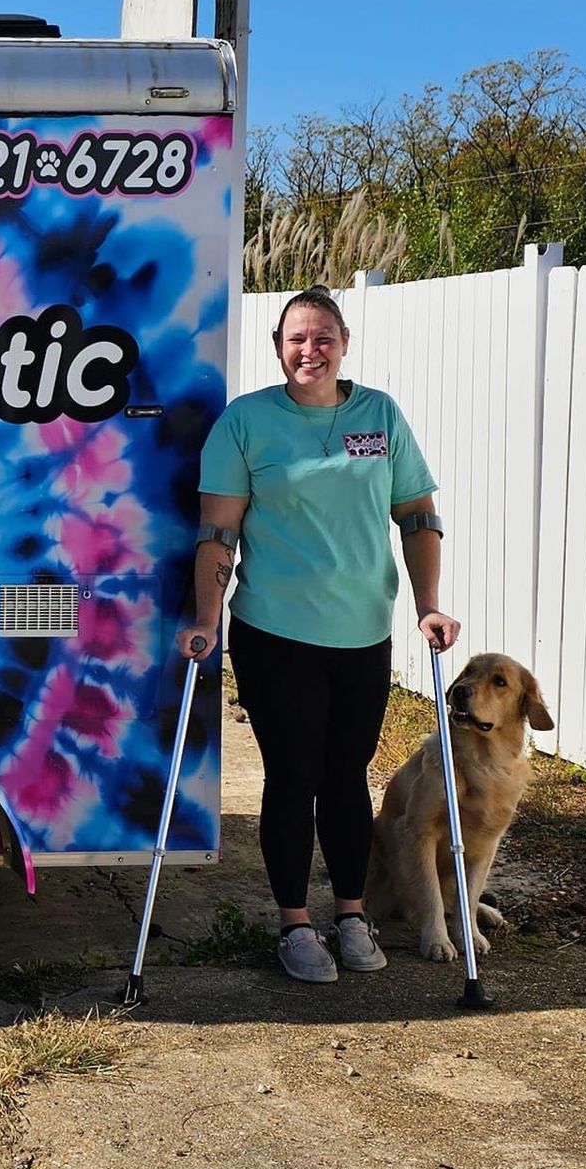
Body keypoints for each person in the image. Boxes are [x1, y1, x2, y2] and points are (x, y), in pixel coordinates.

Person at [176, 285, 458, 983]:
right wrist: (206, 620)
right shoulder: (247, 423)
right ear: (279, 349)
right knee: (293, 775)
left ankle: (353, 914)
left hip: (363, 632)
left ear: (344, 344)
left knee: (346, 777)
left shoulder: (379, 416)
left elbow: (417, 515)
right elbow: (219, 530)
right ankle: (295, 923)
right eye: (297, 338)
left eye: (324, 336)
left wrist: (429, 604)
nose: (311, 349)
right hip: (276, 632)